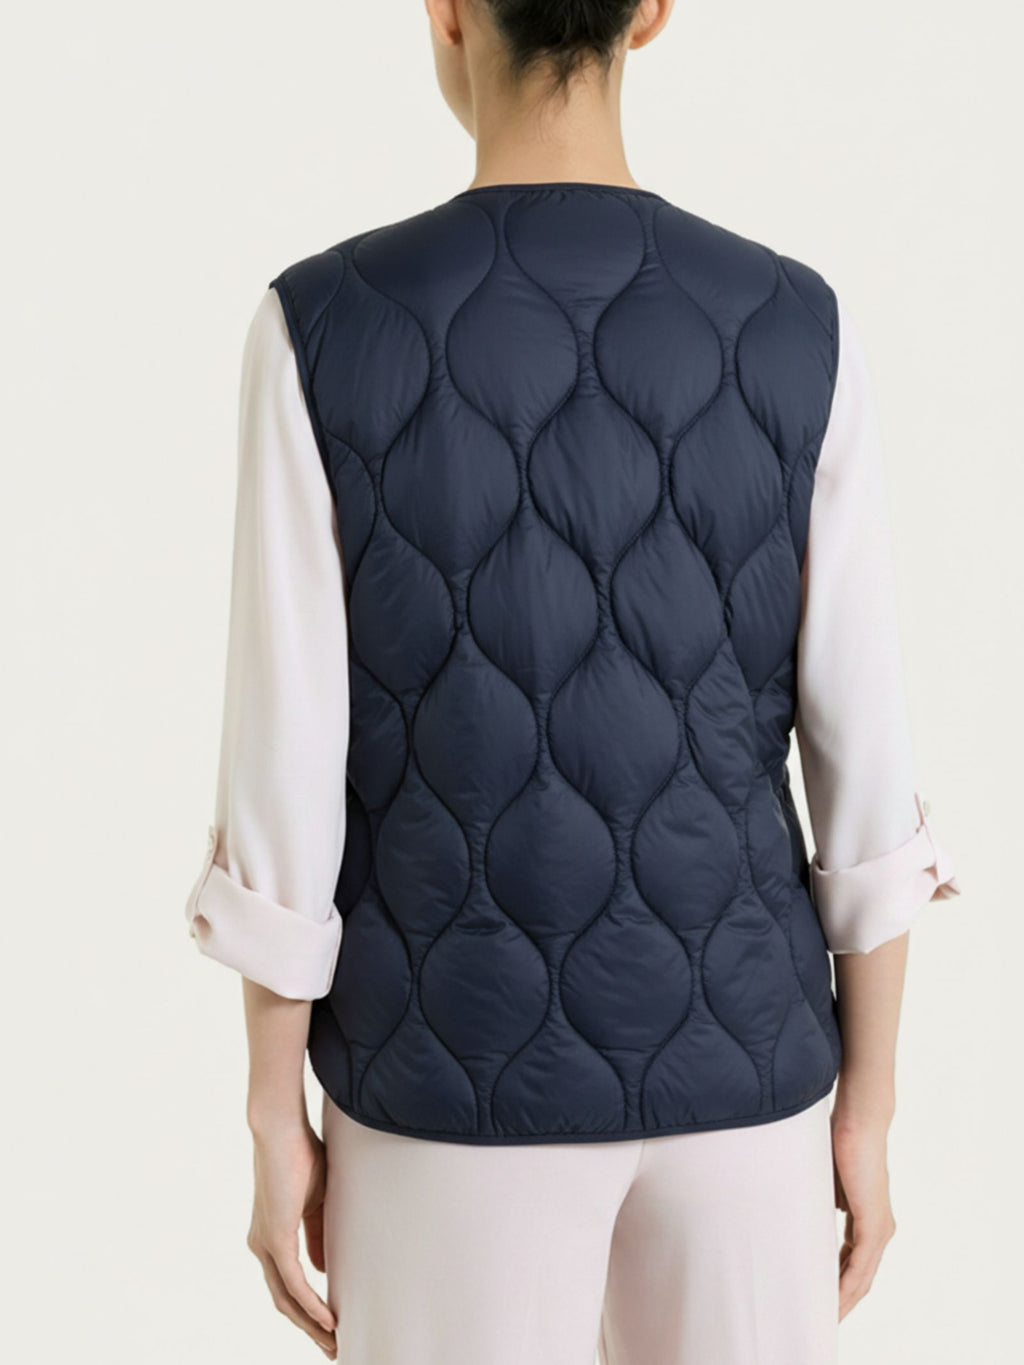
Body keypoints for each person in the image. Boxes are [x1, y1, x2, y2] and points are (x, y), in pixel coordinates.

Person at [183, 1, 961, 1361]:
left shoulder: (321, 324)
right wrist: (870, 1108)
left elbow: (283, 762)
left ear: (447, 7)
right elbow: (866, 765)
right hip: (747, 1083)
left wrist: (270, 1112)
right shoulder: (797, 327)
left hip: (442, 1086)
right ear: (650, 13)